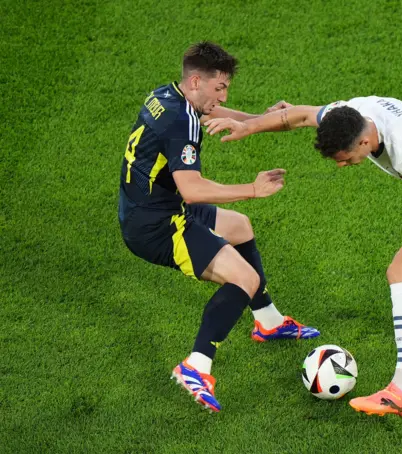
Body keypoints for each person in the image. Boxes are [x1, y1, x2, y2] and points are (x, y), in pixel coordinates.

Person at [205, 96, 402, 418]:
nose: (342, 164)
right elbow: (300, 116)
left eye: (345, 157)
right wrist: (247, 125)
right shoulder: (350, 115)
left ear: (365, 140)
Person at [118, 41, 319, 413]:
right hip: (159, 225)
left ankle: (268, 323)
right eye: (219, 87)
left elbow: (213, 113)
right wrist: (253, 190)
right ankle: (196, 366)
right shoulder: (183, 123)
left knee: (239, 227)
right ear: (196, 81)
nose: (223, 95)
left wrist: (259, 119)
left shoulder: (167, 95)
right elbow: (193, 191)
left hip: (145, 207)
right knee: (244, 279)